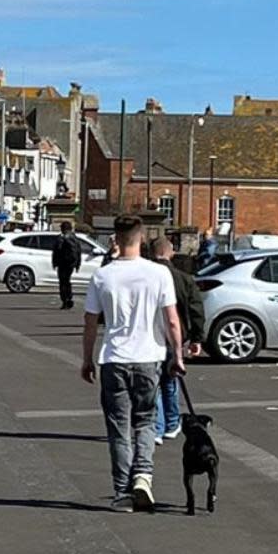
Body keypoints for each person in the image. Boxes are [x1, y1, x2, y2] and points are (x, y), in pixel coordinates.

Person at [81, 215, 185, 513]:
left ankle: (122, 492)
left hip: (114, 358)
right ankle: (143, 475)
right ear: (141, 239)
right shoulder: (158, 274)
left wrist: (87, 359)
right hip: (148, 357)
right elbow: (172, 320)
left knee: (118, 428)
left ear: (115, 238)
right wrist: (176, 356)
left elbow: (90, 323)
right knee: (146, 421)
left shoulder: (102, 276)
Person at [150, 237, 205, 444]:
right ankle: (172, 424)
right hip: (176, 335)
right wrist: (196, 338)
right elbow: (195, 309)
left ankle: (157, 426)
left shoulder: (144, 276)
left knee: (154, 383)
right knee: (170, 380)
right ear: (170, 252)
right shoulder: (183, 278)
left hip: (150, 335)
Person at [51, 221, 83, 309]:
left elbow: (57, 250)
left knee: (63, 282)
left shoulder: (62, 238)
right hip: (71, 263)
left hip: (63, 263)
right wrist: (77, 264)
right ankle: (68, 297)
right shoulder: (75, 238)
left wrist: (54, 262)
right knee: (67, 281)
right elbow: (79, 252)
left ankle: (65, 299)